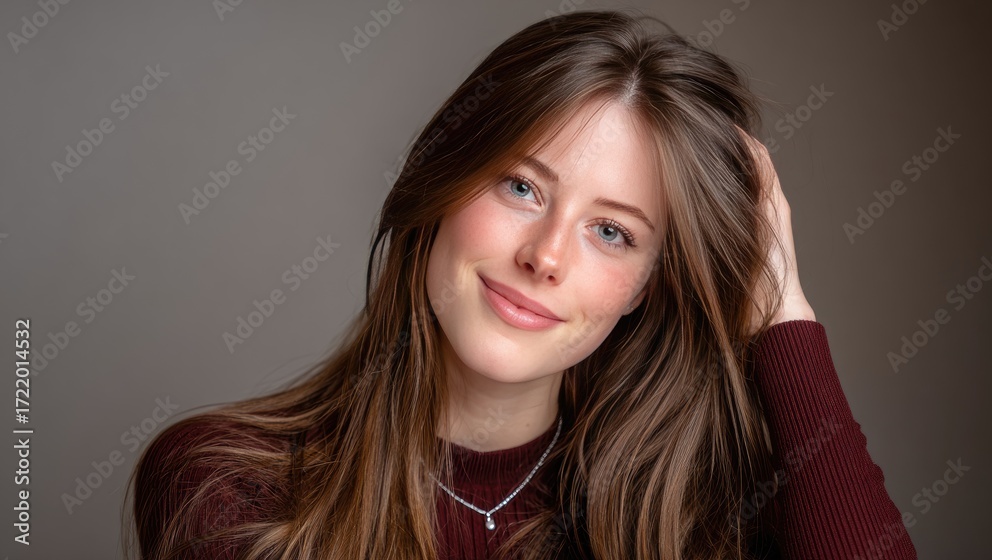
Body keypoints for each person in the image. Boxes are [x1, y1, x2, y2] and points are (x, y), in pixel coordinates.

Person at [122, 9, 918, 560]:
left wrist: (781, 310)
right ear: (443, 184)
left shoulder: (708, 521)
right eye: (522, 188)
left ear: (646, 285)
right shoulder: (229, 489)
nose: (546, 256)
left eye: (613, 232)